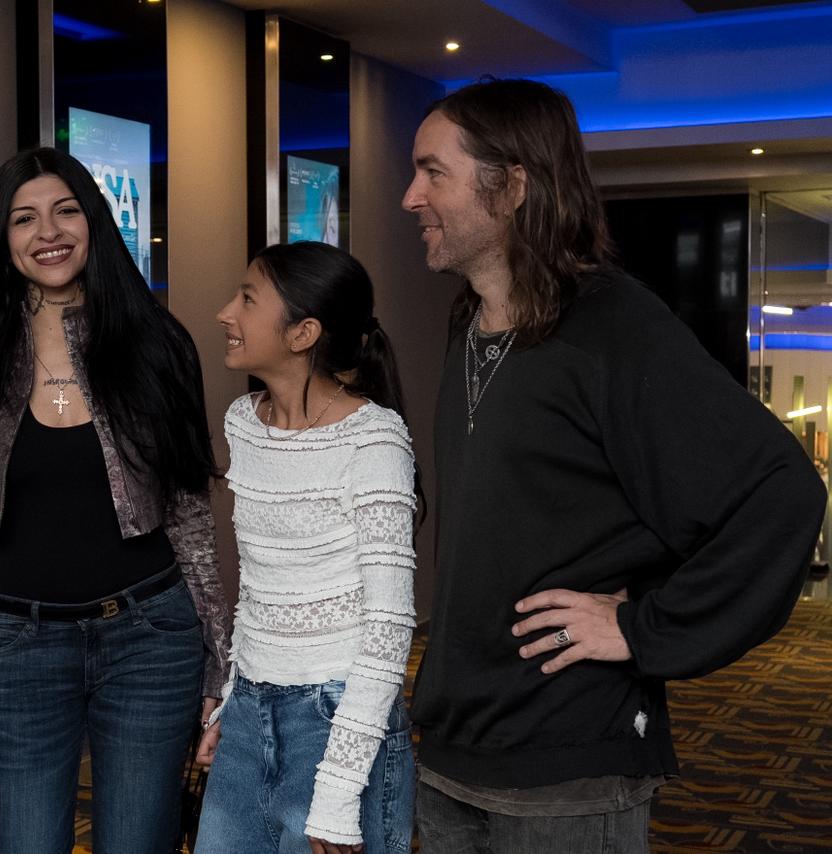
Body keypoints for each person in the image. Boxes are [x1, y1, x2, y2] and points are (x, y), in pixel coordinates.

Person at [401, 77, 826, 853]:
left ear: (512, 185)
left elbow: (779, 493)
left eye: (433, 172)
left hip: (568, 764)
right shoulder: (470, 324)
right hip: (457, 750)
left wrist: (642, 627)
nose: (408, 197)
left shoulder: (613, 325)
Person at [0, 147, 230, 853]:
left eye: (66, 211)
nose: (48, 232)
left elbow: (189, 511)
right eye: (23, 218)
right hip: (19, 645)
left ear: (94, 221)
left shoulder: (157, 341)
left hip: (151, 640)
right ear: (2, 240)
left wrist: (219, 652)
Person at [196, 241, 419, 854]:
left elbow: (389, 625)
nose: (225, 313)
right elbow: (261, 582)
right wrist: (235, 697)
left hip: (337, 718)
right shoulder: (244, 422)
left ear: (303, 333)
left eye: (247, 298)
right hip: (249, 715)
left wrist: (341, 788)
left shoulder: (374, 442)